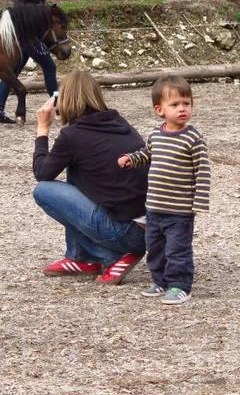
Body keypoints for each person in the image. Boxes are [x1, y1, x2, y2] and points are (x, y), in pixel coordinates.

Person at [31, 69, 148, 285]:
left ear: (62, 100)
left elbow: (42, 173)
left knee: (44, 191)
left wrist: (43, 128)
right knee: (78, 170)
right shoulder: (119, 123)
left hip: (125, 234)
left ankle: (110, 256)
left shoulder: (72, 136)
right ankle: (81, 258)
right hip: (150, 229)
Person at [118, 75, 210, 305]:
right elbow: (146, 155)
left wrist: (199, 201)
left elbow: (203, 171)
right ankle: (159, 280)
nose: (182, 109)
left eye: (186, 103)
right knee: (155, 247)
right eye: (175, 104)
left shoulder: (193, 138)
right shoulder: (155, 136)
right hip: (154, 207)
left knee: (177, 249)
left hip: (180, 210)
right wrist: (132, 159)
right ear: (159, 110)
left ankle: (180, 285)